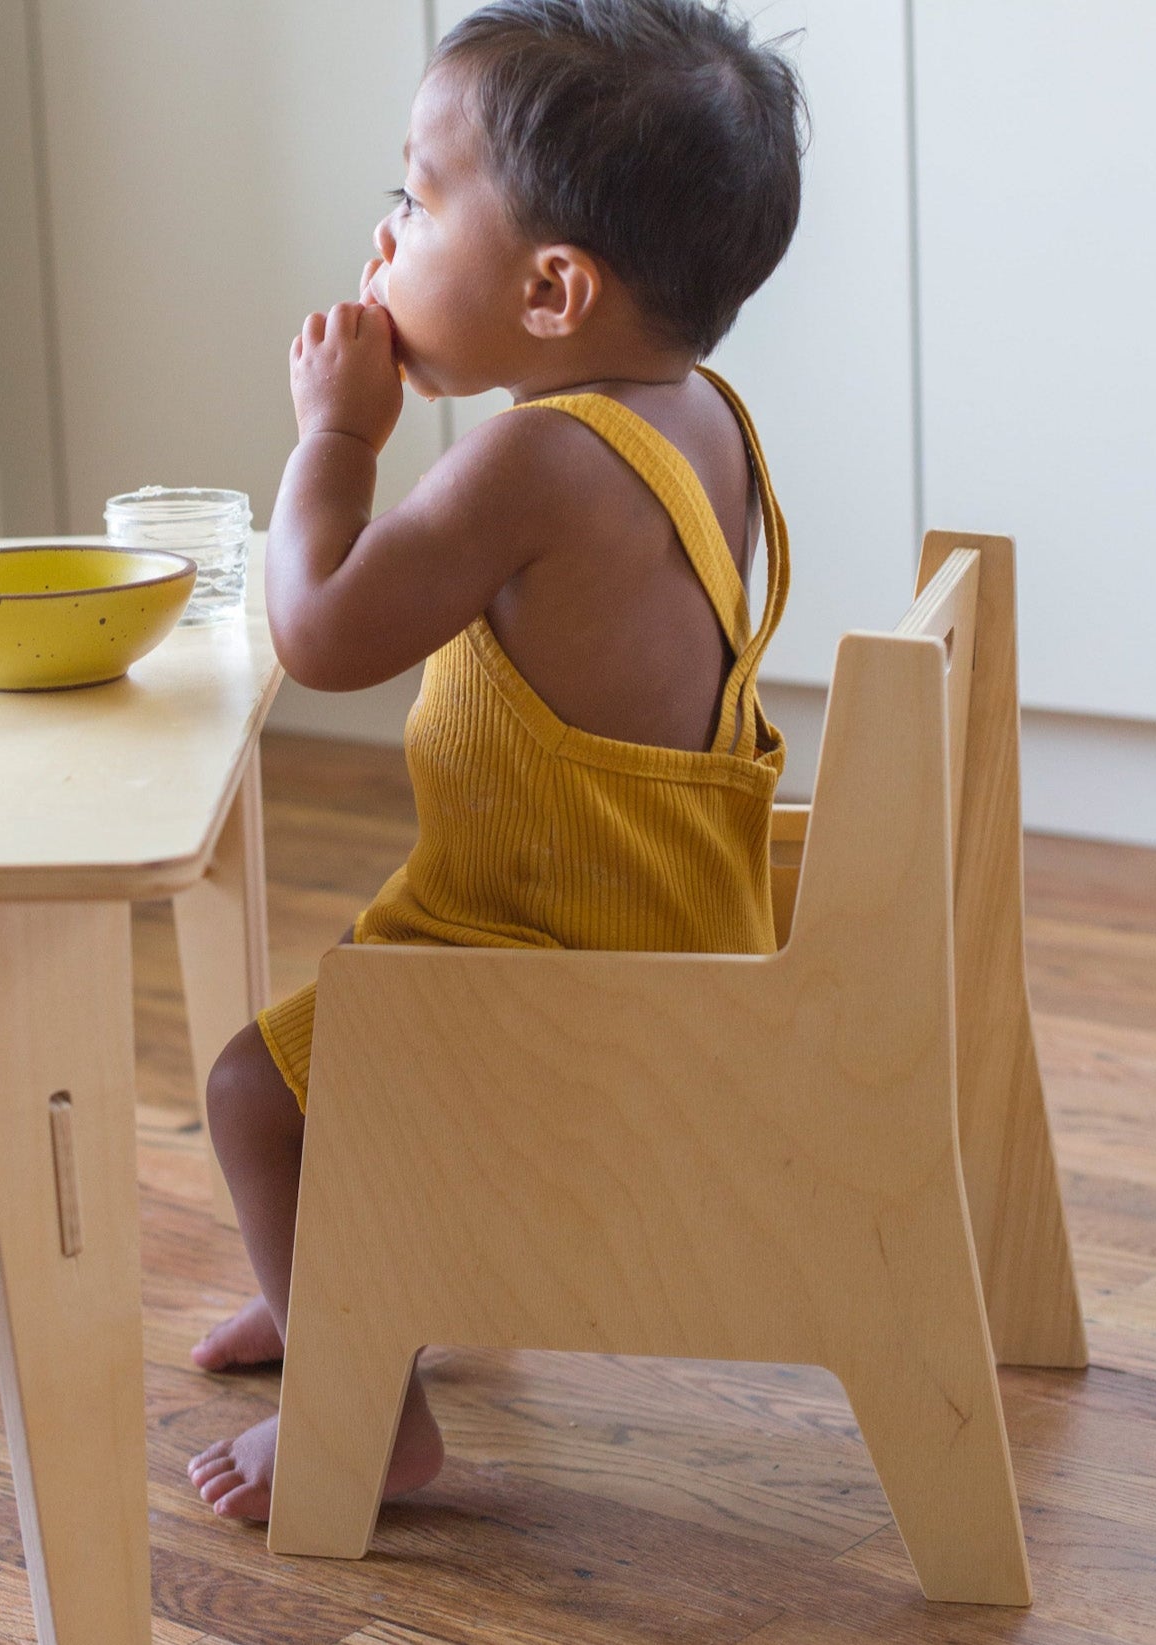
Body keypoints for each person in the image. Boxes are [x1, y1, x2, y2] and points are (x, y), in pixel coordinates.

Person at [187, 0, 806, 1522]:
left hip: (551, 968)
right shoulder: (697, 418)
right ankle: (343, 1279)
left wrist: (333, 439)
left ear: (551, 289)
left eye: (415, 194)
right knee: (304, 1067)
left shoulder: (531, 461)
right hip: (664, 923)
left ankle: (370, 1408)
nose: (382, 237)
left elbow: (322, 630)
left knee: (253, 1089)